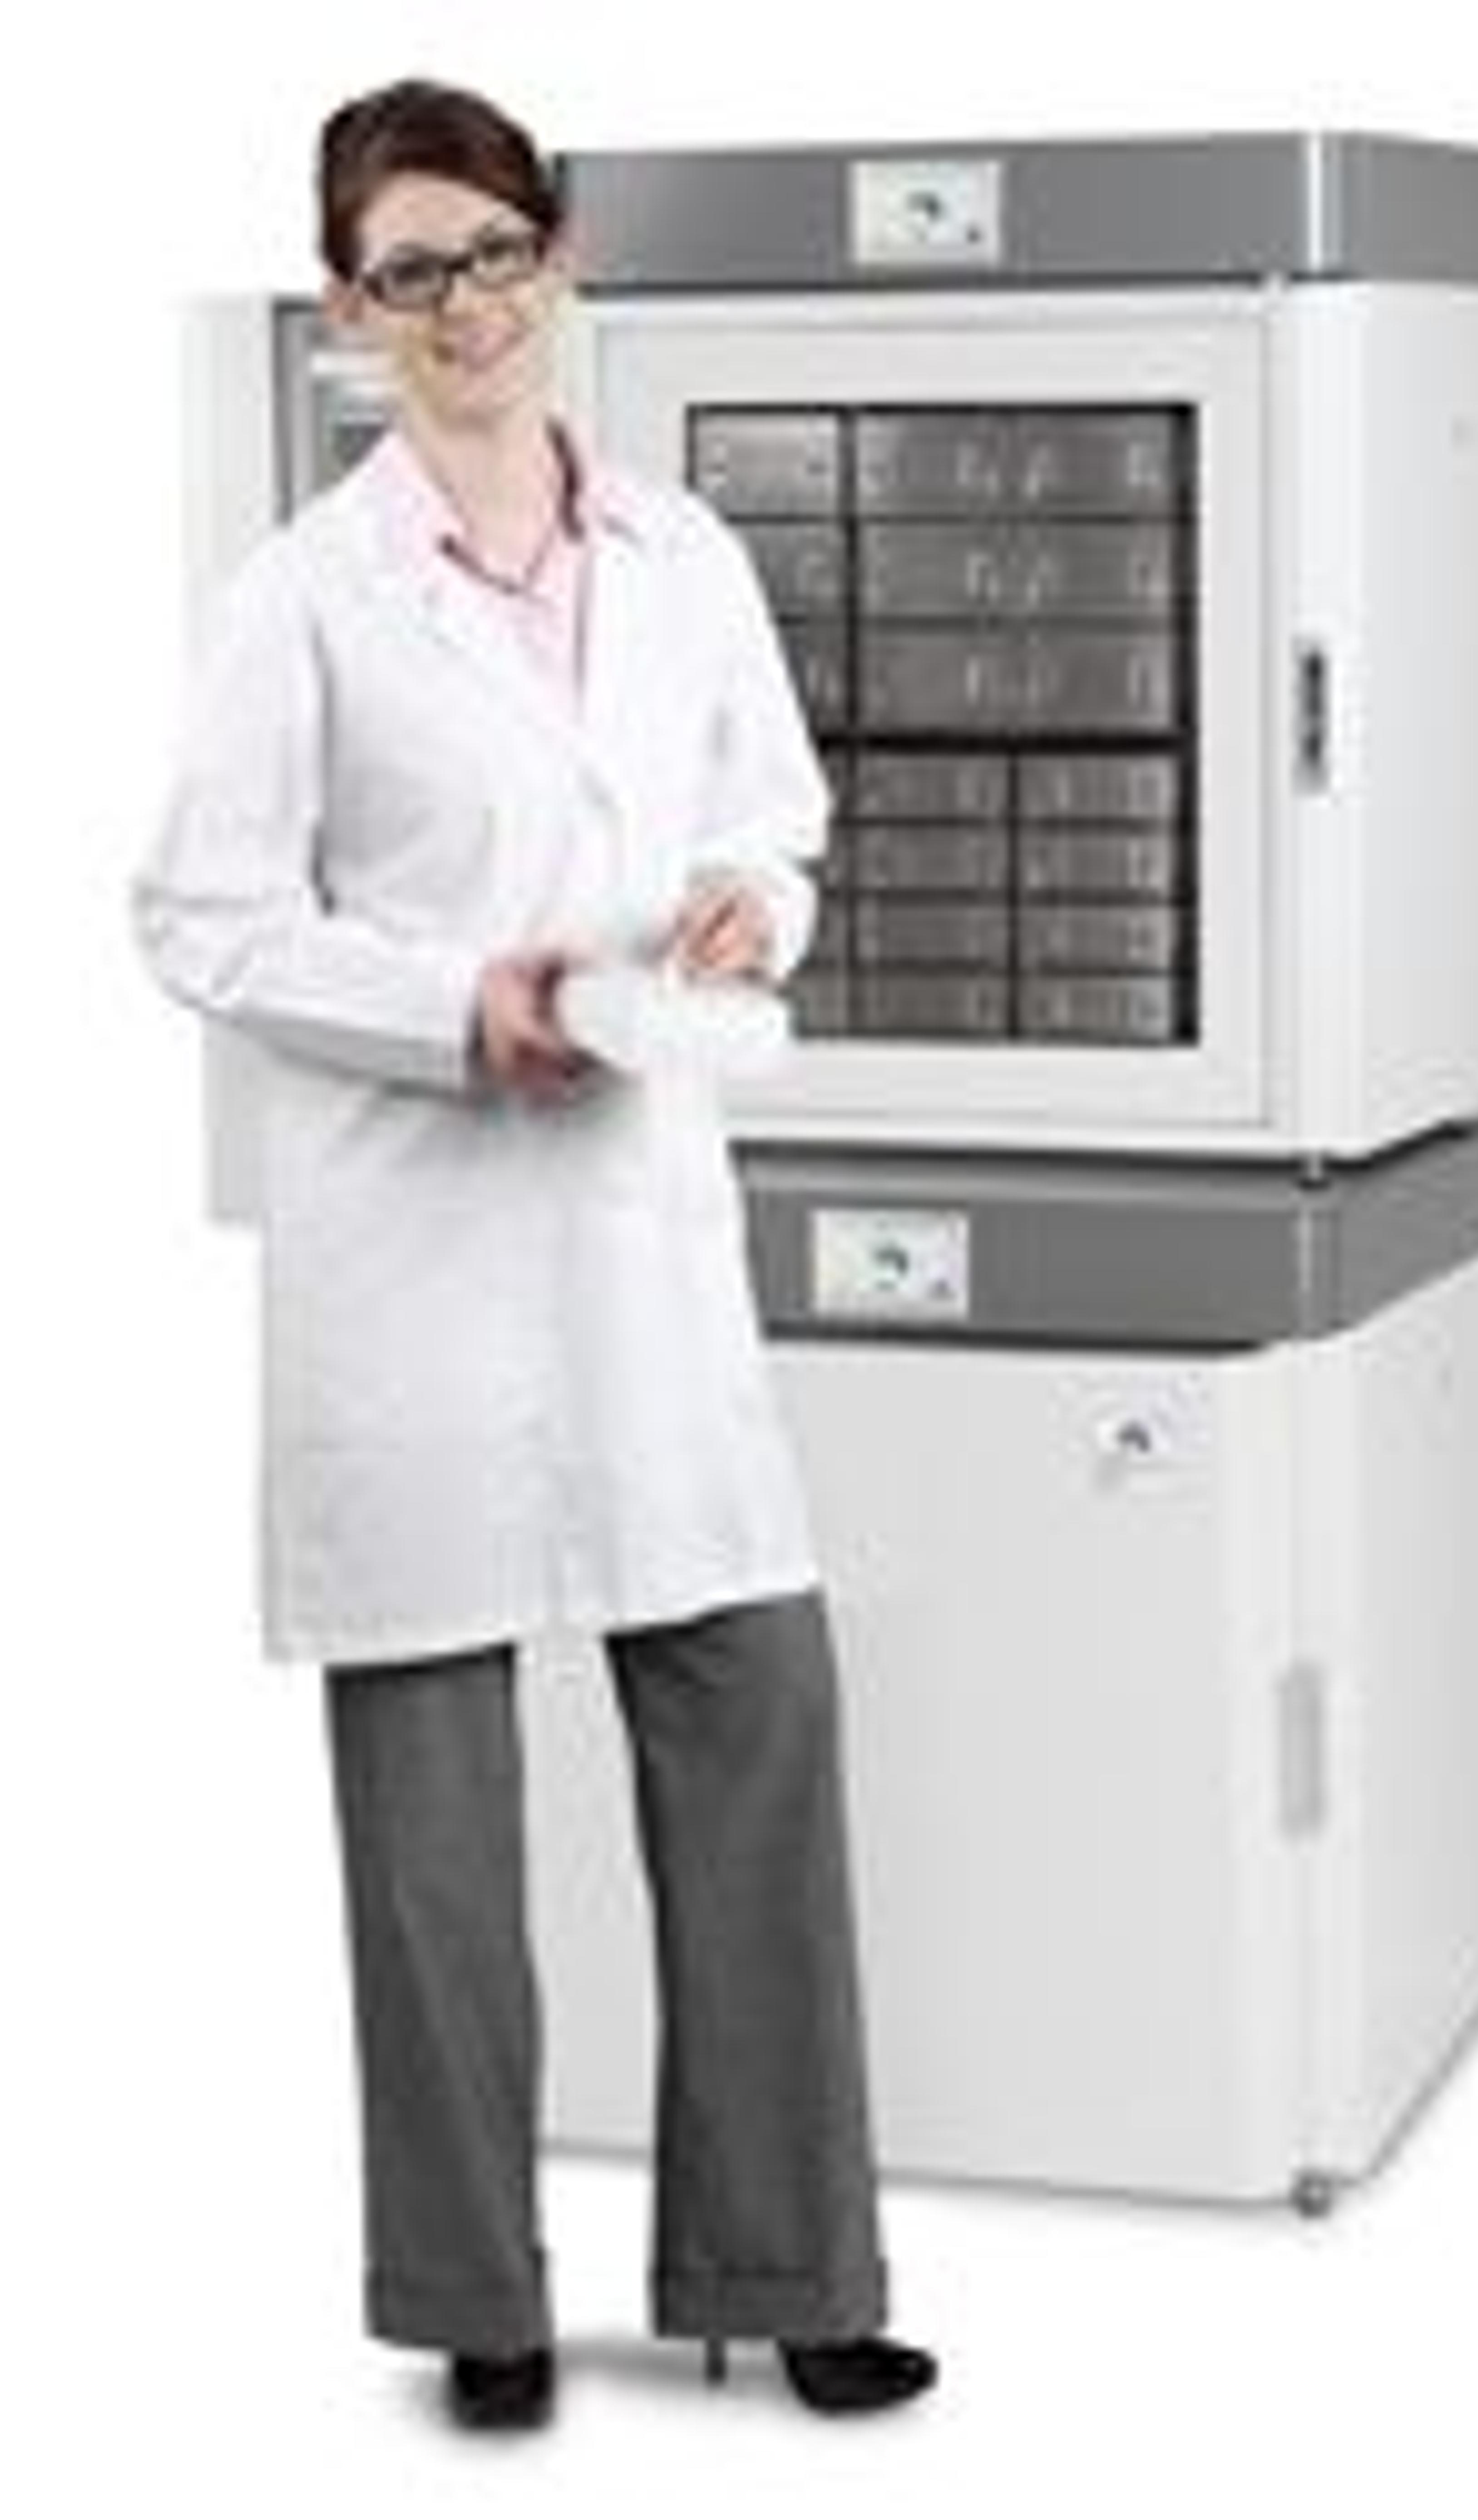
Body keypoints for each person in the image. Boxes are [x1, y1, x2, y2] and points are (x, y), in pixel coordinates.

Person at [132, 77, 936, 2434]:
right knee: (435, 1824)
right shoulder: (303, 596)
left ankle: (793, 2268)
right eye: (410, 272)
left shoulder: (683, 555)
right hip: (416, 1256)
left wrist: (748, 904)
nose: (463, 306)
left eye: (493, 253)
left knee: (758, 1716)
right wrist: (449, 1008)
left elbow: (777, 813)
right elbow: (199, 915)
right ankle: (478, 2292)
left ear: (558, 260)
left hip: (639, 1241)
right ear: (347, 310)